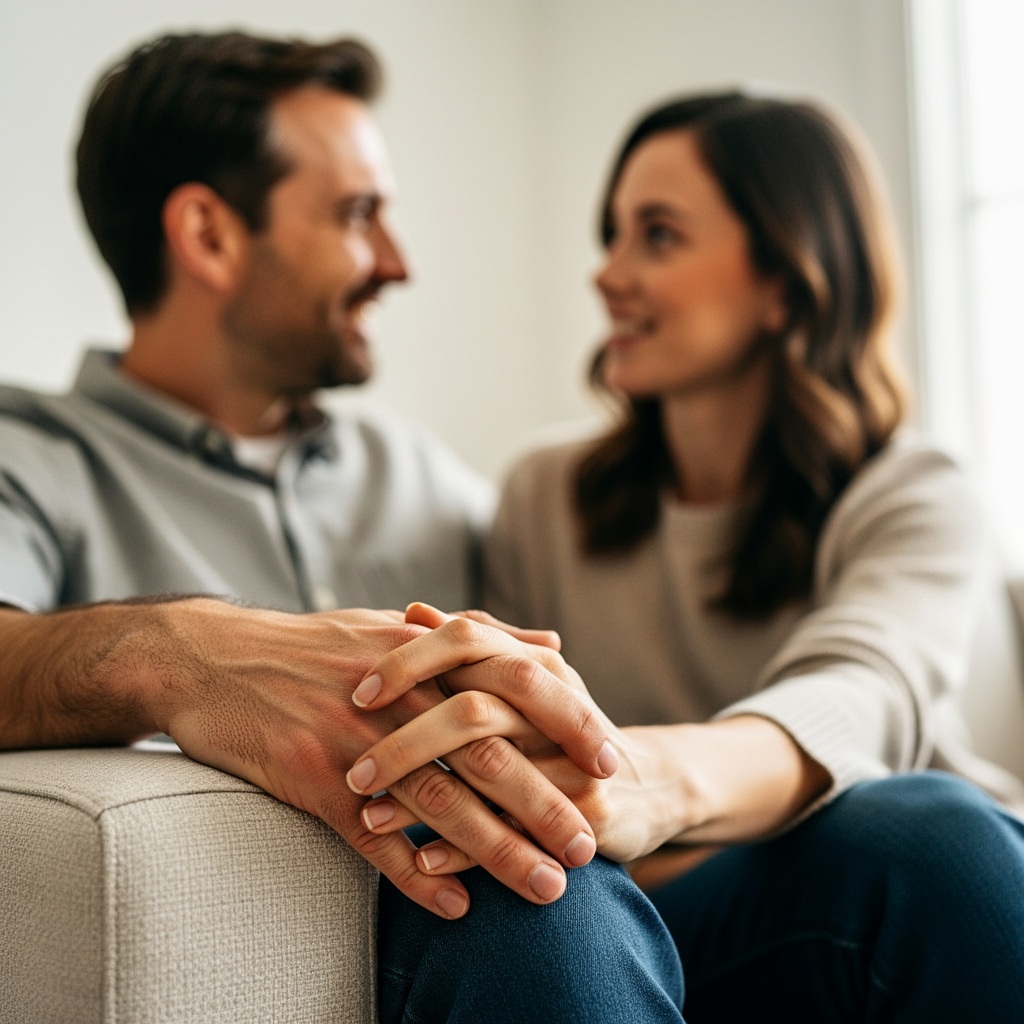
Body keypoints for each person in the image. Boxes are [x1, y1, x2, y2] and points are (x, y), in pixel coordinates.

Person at [0, 31, 692, 1024]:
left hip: (608, 906)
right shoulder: (25, 452)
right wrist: (179, 653)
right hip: (500, 930)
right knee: (541, 900)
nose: (398, 263)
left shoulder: (421, 474)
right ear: (208, 235)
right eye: (359, 215)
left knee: (930, 844)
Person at [346, 92, 1024, 1021]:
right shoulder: (545, 497)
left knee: (940, 839)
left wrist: (649, 784)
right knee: (532, 899)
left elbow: (863, 697)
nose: (609, 275)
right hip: (641, 913)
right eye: (611, 235)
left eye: (657, 236)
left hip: (865, 895)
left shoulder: (914, 489)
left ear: (787, 280)